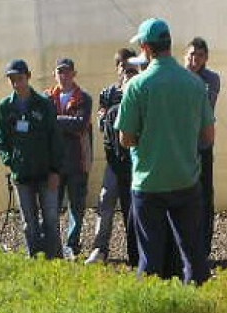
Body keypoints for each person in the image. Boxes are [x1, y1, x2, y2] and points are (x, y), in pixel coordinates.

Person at [116, 17, 215, 285]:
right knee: (193, 255)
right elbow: (207, 136)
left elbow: (125, 139)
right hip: (186, 179)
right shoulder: (195, 84)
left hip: (149, 182)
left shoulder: (136, 86)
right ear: (170, 44)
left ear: (146, 48)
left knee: (150, 258)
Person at [0, 59, 65, 259]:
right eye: (12, 80)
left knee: (50, 219)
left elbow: (55, 139)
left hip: (46, 172)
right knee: (29, 222)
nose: (17, 83)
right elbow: (0, 140)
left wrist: (55, 170)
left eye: (20, 78)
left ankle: (55, 261)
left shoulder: (44, 104)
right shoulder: (5, 107)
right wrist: (11, 161)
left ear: (29, 77)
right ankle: (36, 259)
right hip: (22, 174)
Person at [85, 50, 140, 266]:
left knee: (133, 206)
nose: (127, 72)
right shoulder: (108, 93)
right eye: (124, 68)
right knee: (106, 200)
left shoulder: (141, 90)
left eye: (131, 68)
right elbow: (102, 123)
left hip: (137, 160)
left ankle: (135, 252)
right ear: (117, 69)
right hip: (115, 160)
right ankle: (100, 249)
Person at [46, 57, 93, 259]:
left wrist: (55, 120)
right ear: (54, 75)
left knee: (76, 206)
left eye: (67, 72)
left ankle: (72, 243)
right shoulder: (47, 98)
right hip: (54, 163)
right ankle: (54, 243)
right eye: (60, 72)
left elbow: (80, 124)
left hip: (77, 161)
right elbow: (47, 126)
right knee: (52, 205)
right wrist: (66, 122)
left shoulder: (84, 98)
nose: (63, 76)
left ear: (74, 74)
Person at [185, 36, 221, 259]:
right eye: (191, 55)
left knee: (205, 194)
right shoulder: (176, 76)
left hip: (202, 144)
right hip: (181, 146)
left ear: (206, 58)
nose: (194, 59)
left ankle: (204, 246)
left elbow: (204, 107)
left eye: (199, 56)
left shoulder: (211, 79)